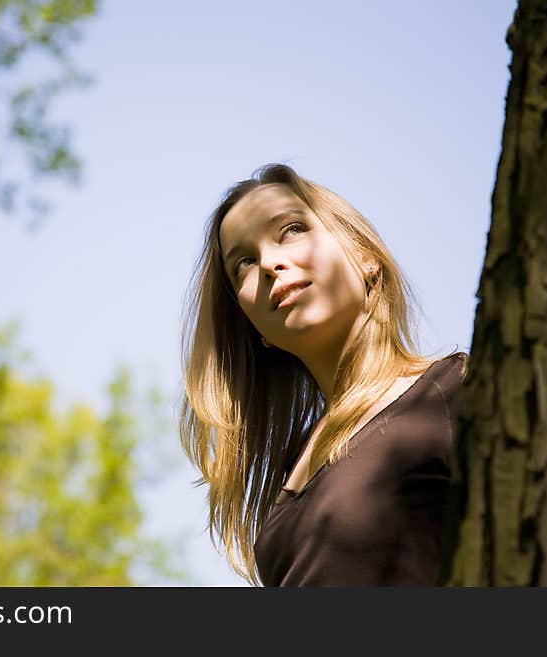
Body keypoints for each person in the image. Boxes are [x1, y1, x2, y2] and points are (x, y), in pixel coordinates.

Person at [179, 163, 468, 586]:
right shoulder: (289, 476)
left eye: (292, 229)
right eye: (243, 262)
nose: (268, 263)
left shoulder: (453, 392)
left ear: (366, 257)